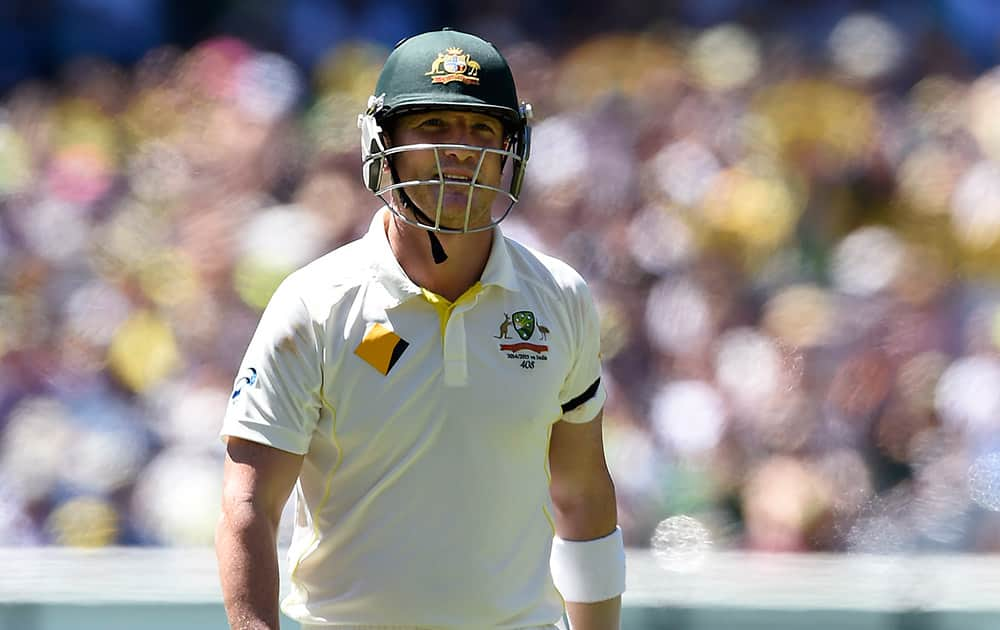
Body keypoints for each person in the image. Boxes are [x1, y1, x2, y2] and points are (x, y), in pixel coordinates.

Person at [215, 28, 624, 630]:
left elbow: (582, 492)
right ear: (384, 144)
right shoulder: (315, 303)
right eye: (433, 127)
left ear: (513, 149)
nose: (460, 151)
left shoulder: (559, 298)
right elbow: (249, 505)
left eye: (482, 130)